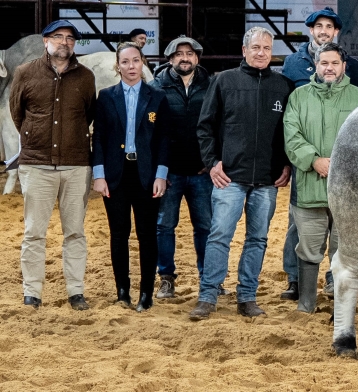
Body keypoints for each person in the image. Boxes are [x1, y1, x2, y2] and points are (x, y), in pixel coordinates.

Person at [189, 26, 293, 320]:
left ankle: (247, 297)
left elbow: (289, 131)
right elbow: (205, 126)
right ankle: (208, 296)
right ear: (244, 51)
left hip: (267, 179)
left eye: (267, 49)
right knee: (220, 235)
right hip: (229, 177)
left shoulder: (283, 86)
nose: (261, 53)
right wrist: (212, 163)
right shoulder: (223, 81)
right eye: (256, 47)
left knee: (257, 239)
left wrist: (285, 163)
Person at [10, 20, 96, 311]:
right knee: (34, 232)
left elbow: (89, 114)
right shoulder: (25, 73)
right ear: (45, 40)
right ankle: (32, 292)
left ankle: (76, 291)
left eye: (70, 38)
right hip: (37, 166)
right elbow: (17, 114)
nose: (64, 42)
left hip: (76, 166)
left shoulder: (86, 77)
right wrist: (36, 139)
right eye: (58, 36)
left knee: (75, 232)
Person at [278, 6, 358, 301]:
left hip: (344, 185)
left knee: (342, 242)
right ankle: (300, 288)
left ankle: (337, 293)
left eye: (334, 63)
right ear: (315, 64)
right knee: (302, 237)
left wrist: (339, 164)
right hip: (309, 181)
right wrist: (312, 160)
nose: (329, 67)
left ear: (343, 65)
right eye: (323, 62)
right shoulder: (297, 90)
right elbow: (291, 131)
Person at [91, 42, 171, 312]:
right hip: (115, 175)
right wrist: (98, 174)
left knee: (147, 235)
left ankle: (146, 293)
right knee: (118, 234)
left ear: (142, 63)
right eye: (125, 62)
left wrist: (161, 174)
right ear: (117, 66)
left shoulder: (157, 97)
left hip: (147, 176)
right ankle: (122, 291)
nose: (131, 66)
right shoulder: (105, 96)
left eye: (135, 61)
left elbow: (163, 140)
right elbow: (99, 137)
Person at [150, 35, 220, 299]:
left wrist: (211, 159)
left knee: (205, 226)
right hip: (169, 172)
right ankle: (166, 278)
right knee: (165, 226)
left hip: (202, 171)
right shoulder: (156, 87)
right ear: (170, 59)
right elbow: (150, 130)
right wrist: (159, 168)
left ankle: (209, 279)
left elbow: (220, 125)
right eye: (179, 54)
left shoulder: (212, 85)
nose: (185, 58)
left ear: (197, 58)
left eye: (190, 53)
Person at [282, 6, 358, 89]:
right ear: (311, 30)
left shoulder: (352, 65)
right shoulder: (292, 62)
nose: (323, 31)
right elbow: (286, 97)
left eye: (329, 26)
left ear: (335, 31)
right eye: (319, 26)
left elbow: (357, 98)